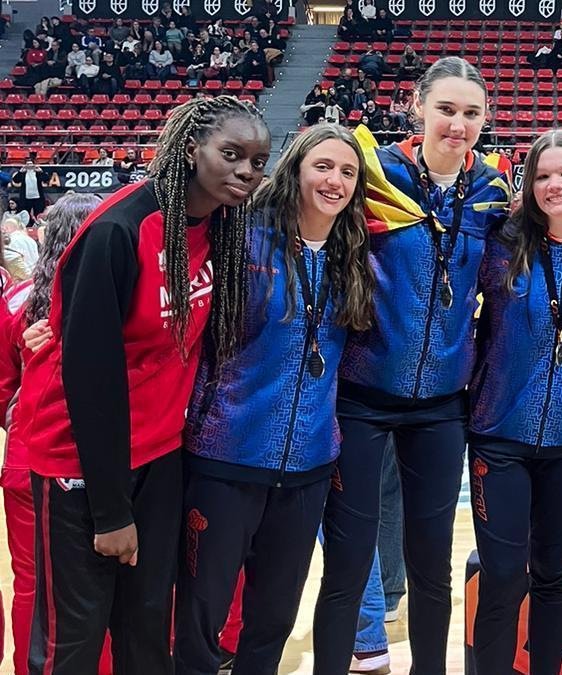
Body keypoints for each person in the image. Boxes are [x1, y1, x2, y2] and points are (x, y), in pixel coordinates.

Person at [14, 95, 268, 674]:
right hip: (79, 458)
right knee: (74, 643)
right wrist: (110, 511)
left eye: (257, 161)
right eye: (231, 154)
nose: (246, 172)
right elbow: (90, 378)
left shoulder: (221, 227)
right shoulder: (119, 230)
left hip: (158, 455)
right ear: (191, 149)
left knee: (148, 628)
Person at [316, 57, 512, 675]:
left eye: (471, 113)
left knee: (433, 568)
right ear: (418, 106)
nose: (458, 124)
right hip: (361, 395)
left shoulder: (493, 192)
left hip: (442, 406)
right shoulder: (373, 174)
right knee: (347, 566)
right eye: (446, 109)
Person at [172, 124, 375, 675]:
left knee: (273, 621)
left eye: (347, 172)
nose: (335, 181)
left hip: (308, 468)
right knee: (200, 618)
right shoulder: (241, 240)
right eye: (323, 166)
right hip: (225, 457)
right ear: (295, 170)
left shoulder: (354, 257)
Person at [468, 131, 562, 674]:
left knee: (554, 577)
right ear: (529, 186)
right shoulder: (499, 247)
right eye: (543, 175)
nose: (555, 185)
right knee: (504, 576)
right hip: (499, 436)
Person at [0, 194, 101, 675]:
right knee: (98, 584)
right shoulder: (117, 295)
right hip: (100, 463)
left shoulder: (16, 302)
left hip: (27, 459)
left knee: (31, 584)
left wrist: (23, 420)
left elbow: (4, 390)